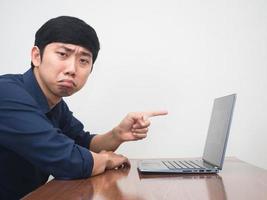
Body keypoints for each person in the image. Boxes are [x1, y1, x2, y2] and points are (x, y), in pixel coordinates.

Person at [0, 16, 167, 199]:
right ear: (36, 56)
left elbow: (84, 144)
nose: (72, 69)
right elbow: (67, 160)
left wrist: (117, 134)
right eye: (63, 54)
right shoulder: (6, 93)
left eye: (83, 61)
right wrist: (106, 159)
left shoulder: (56, 105)